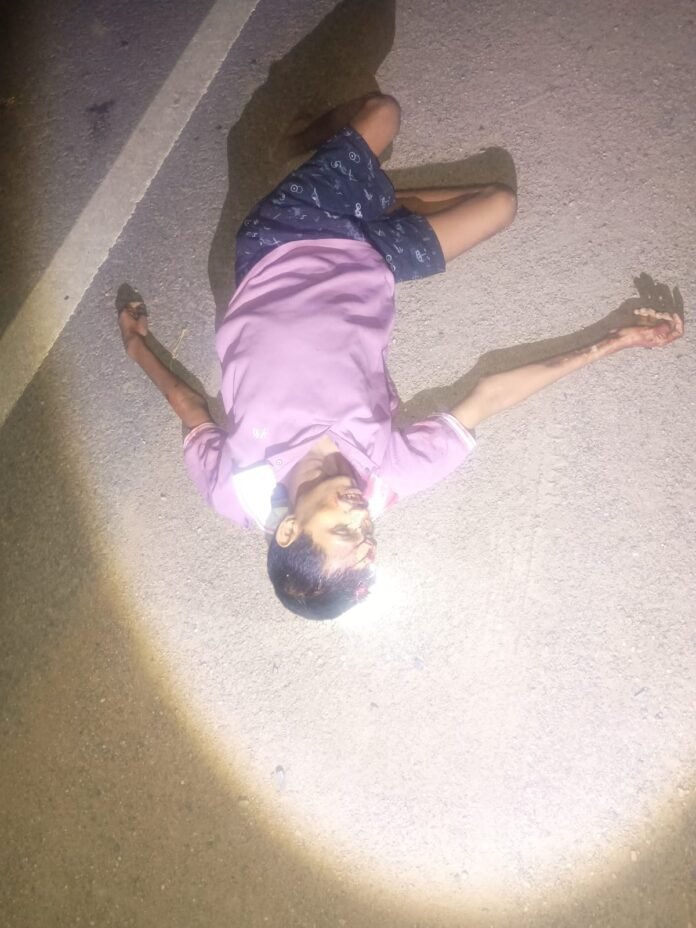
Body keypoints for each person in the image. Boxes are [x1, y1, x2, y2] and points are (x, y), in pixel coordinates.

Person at [117, 94, 683, 620]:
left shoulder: (233, 487)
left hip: (281, 241)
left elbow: (188, 406)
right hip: (372, 263)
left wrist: (136, 345)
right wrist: (613, 342)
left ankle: (339, 161)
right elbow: (489, 395)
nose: (360, 515)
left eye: (344, 531)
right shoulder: (388, 473)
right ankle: (378, 201)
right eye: (368, 533)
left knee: (384, 112)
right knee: (499, 204)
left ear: (288, 531)